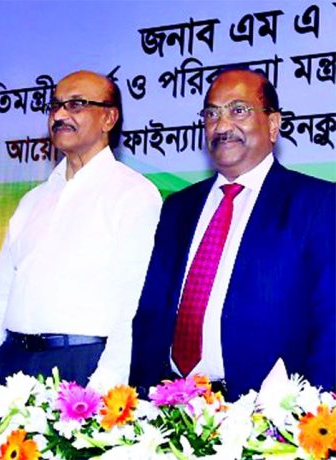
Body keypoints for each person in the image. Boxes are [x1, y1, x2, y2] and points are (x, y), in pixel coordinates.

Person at [129, 68, 335, 397]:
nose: (222, 126)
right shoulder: (178, 208)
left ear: (273, 124)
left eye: (238, 110)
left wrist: (316, 412)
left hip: (266, 417)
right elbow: (151, 312)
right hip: (168, 406)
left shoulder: (318, 203)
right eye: (211, 114)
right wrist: (140, 393)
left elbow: (331, 318)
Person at [0, 70, 162, 388]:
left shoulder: (133, 194)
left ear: (109, 118)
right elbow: (0, 297)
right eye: (55, 105)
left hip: (83, 365)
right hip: (12, 363)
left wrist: (109, 382)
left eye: (76, 105)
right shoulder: (33, 200)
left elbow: (135, 303)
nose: (60, 115)